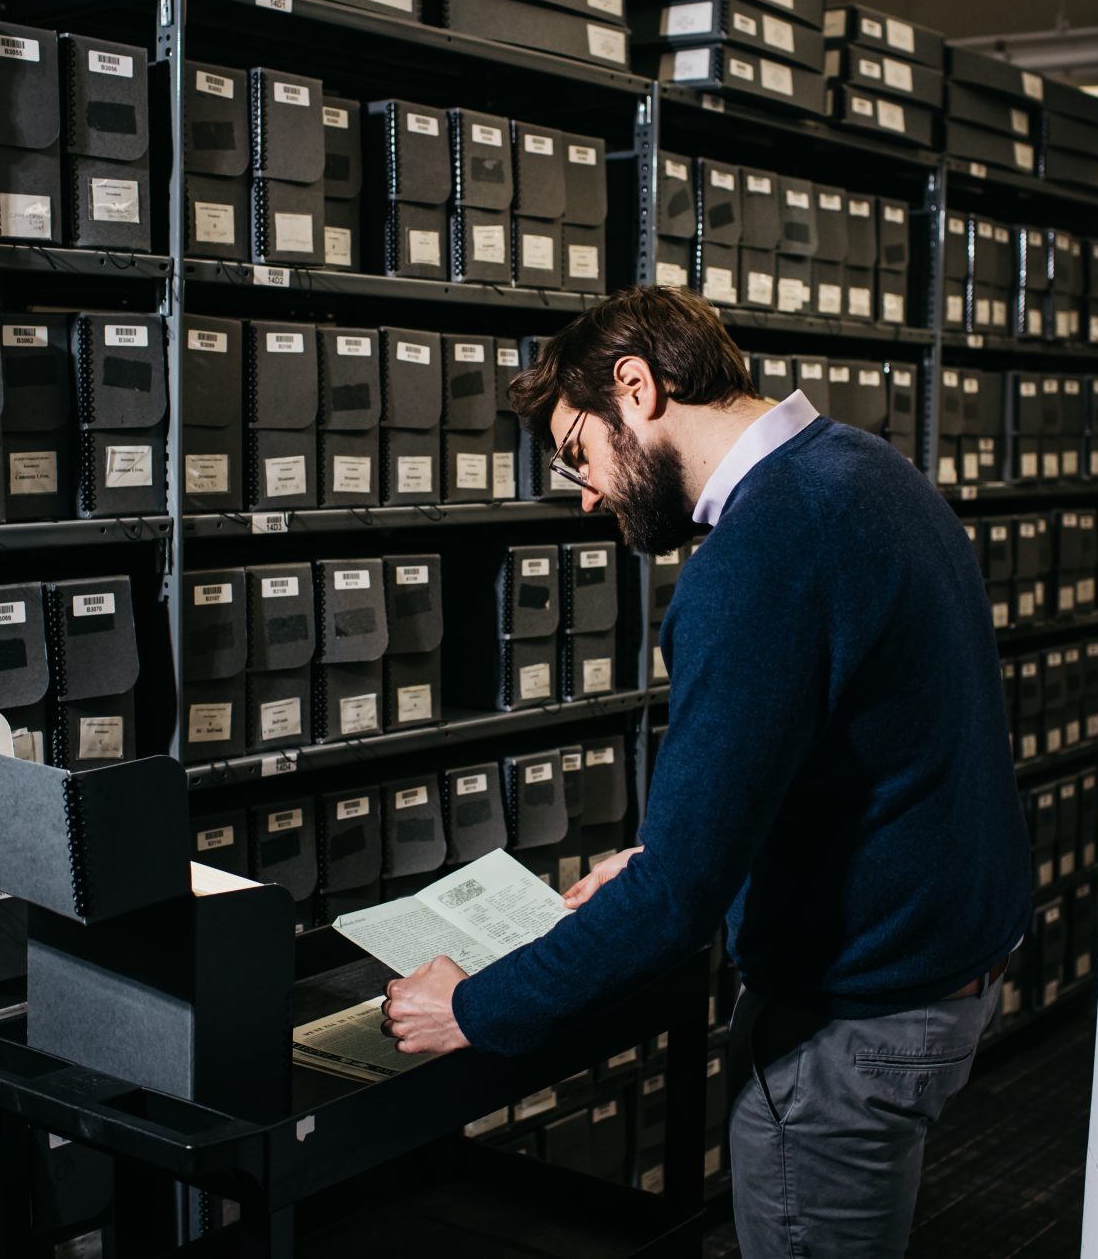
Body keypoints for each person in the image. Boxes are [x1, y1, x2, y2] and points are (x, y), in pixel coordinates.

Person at [380, 285, 1032, 1256]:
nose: (585, 494)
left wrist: (472, 1007)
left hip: (848, 1028)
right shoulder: (865, 468)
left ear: (635, 388)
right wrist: (678, 850)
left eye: (577, 453)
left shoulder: (758, 555)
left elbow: (675, 906)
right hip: (946, 978)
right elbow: (856, 751)